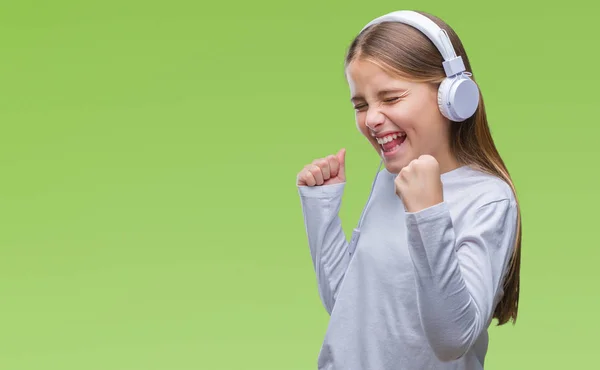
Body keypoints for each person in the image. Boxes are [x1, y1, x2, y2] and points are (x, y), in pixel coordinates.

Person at [295, 9, 522, 370]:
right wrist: (321, 209)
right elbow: (346, 304)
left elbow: (452, 340)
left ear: (452, 95)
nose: (370, 119)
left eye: (390, 98)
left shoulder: (488, 199)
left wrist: (428, 214)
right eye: (361, 105)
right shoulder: (388, 180)